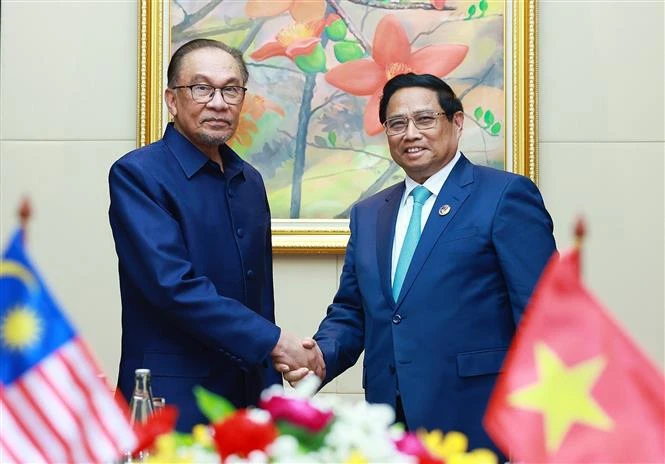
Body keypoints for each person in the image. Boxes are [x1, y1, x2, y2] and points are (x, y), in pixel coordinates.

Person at [282, 73, 556, 454]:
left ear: (456, 122)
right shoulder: (370, 213)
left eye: (425, 119)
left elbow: (544, 314)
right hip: (389, 422)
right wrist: (319, 357)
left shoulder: (504, 196)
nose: (410, 133)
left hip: (479, 418)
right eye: (397, 124)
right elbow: (352, 310)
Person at [108, 39, 323, 431]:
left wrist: (274, 368)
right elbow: (173, 286)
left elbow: (260, 297)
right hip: (172, 401)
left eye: (231, 89)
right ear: (173, 100)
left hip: (250, 394)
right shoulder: (139, 175)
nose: (219, 102)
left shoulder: (249, 181)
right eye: (202, 88)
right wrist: (276, 342)